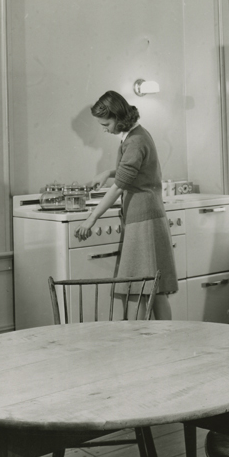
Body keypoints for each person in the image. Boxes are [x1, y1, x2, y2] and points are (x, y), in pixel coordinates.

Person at [75, 90, 177, 319]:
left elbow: (120, 185)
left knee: (139, 290)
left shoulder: (135, 141)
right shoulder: (138, 135)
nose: (105, 129)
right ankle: (166, 342)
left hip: (144, 218)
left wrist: (92, 218)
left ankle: (143, 346)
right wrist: (107, 172)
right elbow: (133, 170)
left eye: (106, 123)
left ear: (119, 117)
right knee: (154, 290)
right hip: (149, 215)